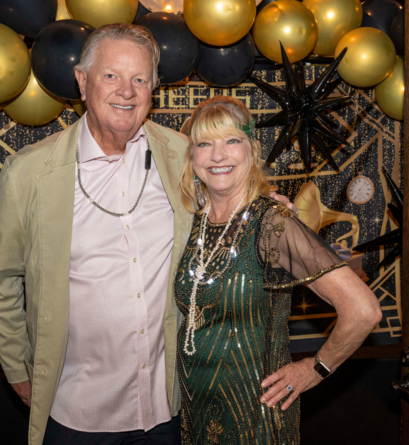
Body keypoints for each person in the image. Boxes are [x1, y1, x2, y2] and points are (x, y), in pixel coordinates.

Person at [0, 23, 294, 445]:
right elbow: (4, 279)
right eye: (111, 76)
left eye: (140, 79)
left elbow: (228, 197)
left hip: (166, 407)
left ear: (153, 89)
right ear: (82, 81)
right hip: (76, 409)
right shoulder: (28, 174)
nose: (127, 91)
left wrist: (265, 208)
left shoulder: (182, 155)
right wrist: (17, 369)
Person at [175, 95, 382, 444]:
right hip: (195, 415)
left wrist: (316, 369)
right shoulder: (191, 220)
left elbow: (364, 310)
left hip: (256, 418)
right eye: (204, 144)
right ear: (191, 156)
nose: (218, 155)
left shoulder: (273, 223)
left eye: (231, 141)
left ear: (252, 151)